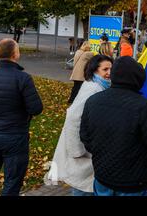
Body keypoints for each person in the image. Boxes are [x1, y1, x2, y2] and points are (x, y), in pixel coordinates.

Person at [80, 56, 147, 196]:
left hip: (103, 176)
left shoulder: (93, 101)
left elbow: (85, 137)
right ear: (139, 79)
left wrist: (101, 152)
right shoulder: (144, 106)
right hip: (132, 183)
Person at [0, 39, 43, 196]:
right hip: (15, 138)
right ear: (15, 54)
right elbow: (36, 108)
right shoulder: (23, 78)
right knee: (12, 181)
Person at [49, 55, 113, 196]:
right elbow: (73, 118)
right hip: (83, 153)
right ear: (95, 71)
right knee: (82, 187)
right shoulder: (93, 89)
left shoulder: (97, 86)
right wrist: (77, 150)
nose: (109, 73)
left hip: (87, 151)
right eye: (105, 69)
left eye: (111, 69)